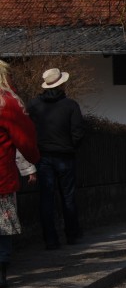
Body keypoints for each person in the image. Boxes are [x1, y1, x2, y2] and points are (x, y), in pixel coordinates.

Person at [27, 68, 85, 249]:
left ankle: (50, 239)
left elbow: (28, 130)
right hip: (65, 156)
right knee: (68, 197)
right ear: (62, 84)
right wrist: (71, 147)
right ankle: (72, 235)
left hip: (43, 156)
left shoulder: (34, 105)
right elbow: (78, 132)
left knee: (46, 198)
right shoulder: (71, 105)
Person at [0, 61, 40, 288]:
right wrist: (33, 158)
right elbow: (25, 135)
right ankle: (1, 269)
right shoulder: (7, 101)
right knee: (2, 224)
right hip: (1, 175)